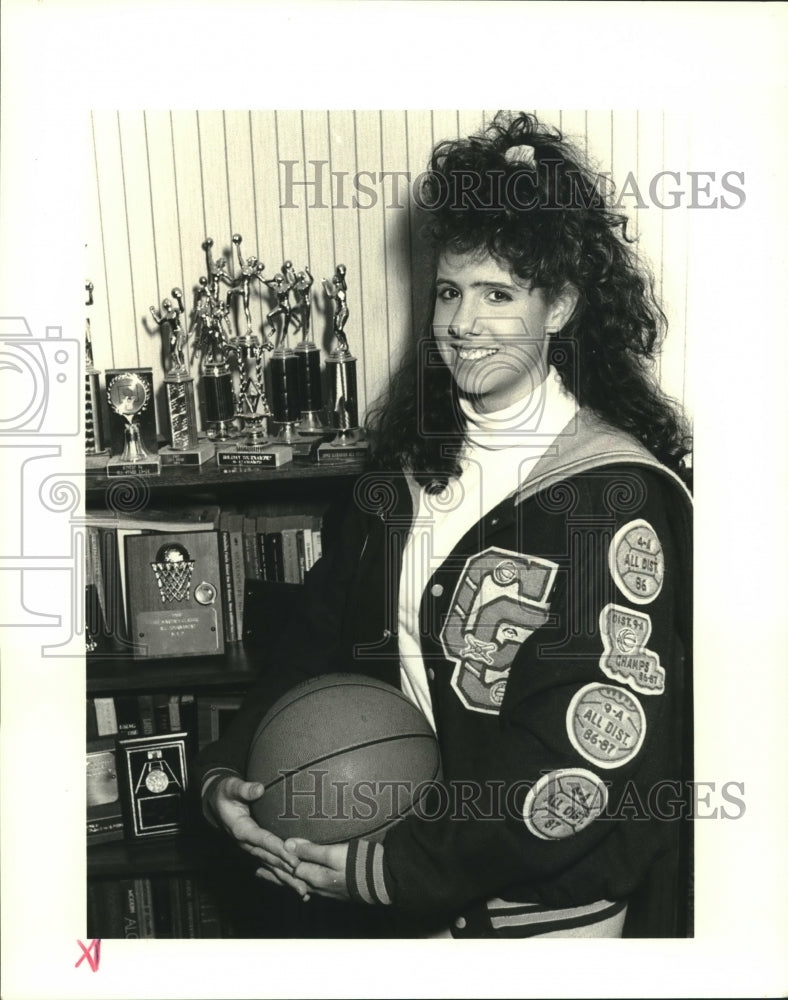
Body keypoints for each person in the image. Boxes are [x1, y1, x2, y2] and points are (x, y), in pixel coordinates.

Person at [195, 110, 693, 939]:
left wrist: (392, 871)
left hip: (544, 917)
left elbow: (582, 752)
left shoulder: (614, 497)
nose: (463, 324)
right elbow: (313, 651)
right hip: (385, 890)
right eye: (451, 291)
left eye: (500, 294)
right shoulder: (406, 474)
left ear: (561, 306)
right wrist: (233, 775)